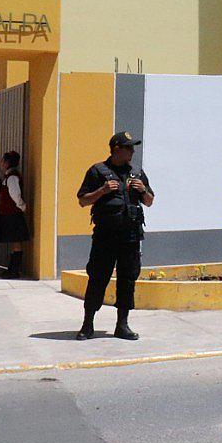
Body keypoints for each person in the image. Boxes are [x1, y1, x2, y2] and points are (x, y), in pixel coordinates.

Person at [76, 132, 154, 341]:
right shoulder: (98, 171)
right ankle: (87, 324)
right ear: (117, 149)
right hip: (105, 237)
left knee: (127, 280)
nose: (133, 151)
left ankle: (122, 325)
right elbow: (82, 200)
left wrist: (143, 189)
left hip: (130, 237)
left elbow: (149, 201)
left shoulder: (137, 173)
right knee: (98, 278)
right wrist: (102, 190)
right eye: (129, 147)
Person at [0, 151, 30, 279]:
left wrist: (21, 206)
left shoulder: (12, 177)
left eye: (3, 161)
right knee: (13, 241)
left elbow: (15, 195)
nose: (1, 163)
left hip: (13, 214)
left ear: (8, 163)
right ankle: (12, 268)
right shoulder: (8, 176)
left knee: (16, 242)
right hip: (9, 214)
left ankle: (14, 270)